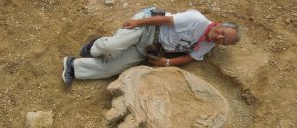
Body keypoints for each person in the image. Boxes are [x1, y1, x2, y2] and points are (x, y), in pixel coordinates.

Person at [62, 7, 240, 85]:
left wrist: (167, 63)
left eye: (224, 41)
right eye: (223, 33)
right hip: (148, 26)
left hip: (152, 47)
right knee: (113, 46)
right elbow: (166, 19)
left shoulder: (209, 44)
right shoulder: (197, 20)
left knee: (112, 68)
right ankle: (95, 46)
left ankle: (73, 66)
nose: (220, 37)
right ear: (220, 24)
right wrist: (138, 21)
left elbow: (190, 57)